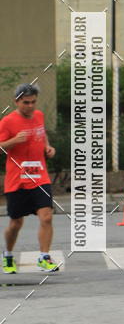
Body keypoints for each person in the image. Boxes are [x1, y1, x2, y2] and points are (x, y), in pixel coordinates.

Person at [0, 84, 58, 274]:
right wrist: (13, 141)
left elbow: (42, 135)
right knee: (16, 223)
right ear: (16, 101)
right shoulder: (7, 122)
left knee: (46, 217)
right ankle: (8, 255)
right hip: (17, 179)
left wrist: (48, 148)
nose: (30, 106)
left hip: (39, 177)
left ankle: (43, 257)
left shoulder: (39, 116)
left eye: (33, 102)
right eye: (26, 103)